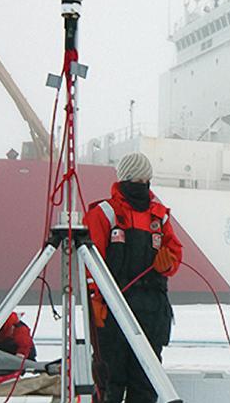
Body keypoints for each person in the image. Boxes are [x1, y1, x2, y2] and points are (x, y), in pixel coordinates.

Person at [83, 152, 183, 403]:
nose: (141, 184)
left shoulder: (160, 216)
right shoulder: (104, 214)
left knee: (146, 383)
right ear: (125, 178)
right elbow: (89, 261)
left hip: (151, 311)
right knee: (110, 382)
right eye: (136, 179)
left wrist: (167, 263)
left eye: (145, 179)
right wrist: (96, 298)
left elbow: (175, 253)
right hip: (115, 309)